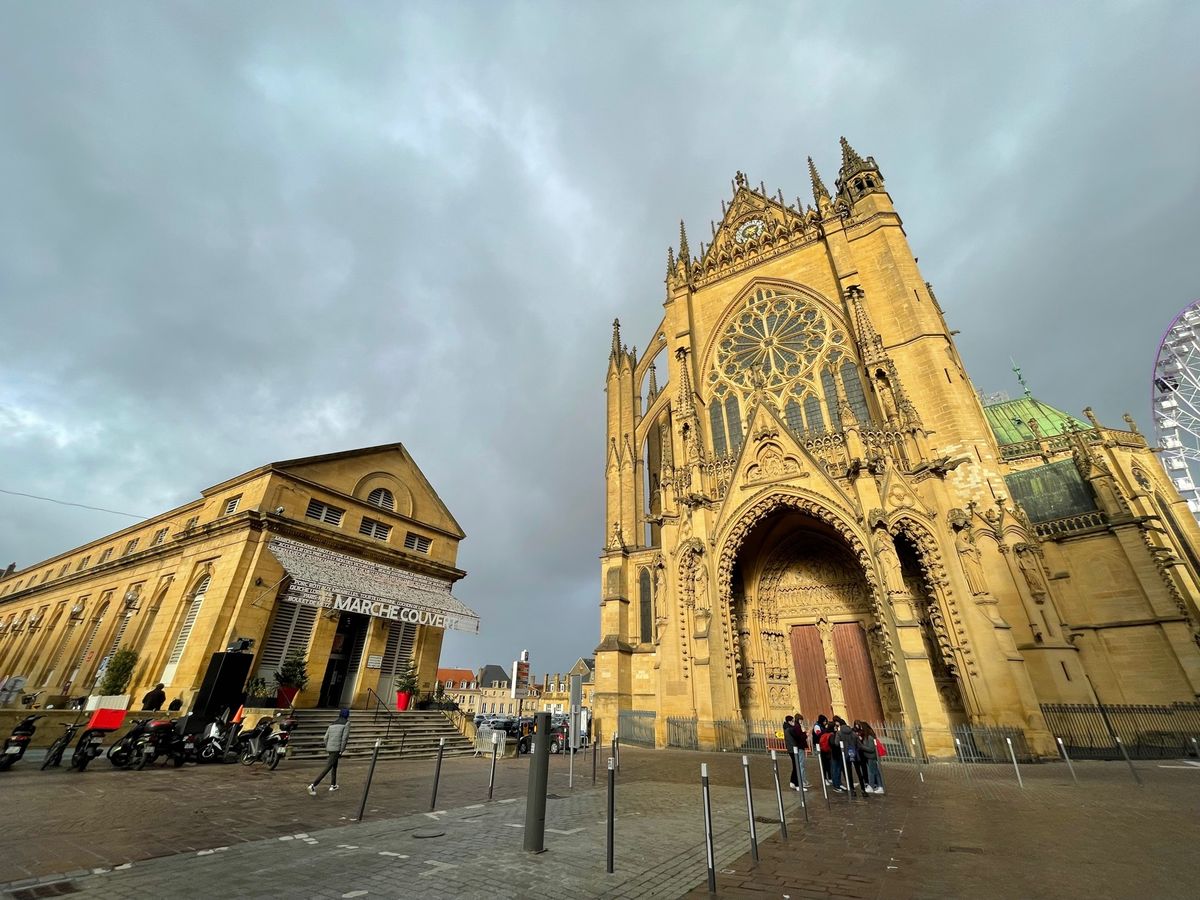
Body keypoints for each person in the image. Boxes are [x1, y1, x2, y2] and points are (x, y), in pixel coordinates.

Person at [308, 708, 350, 794]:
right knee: (328, 767)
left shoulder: (332, 723)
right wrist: (342, 750)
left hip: (330, 748)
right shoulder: (346, 723)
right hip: (337, 748)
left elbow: (325, 737)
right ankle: (313, 785)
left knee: (334, 766)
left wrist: (328, 746)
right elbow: (344, 738)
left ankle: (333, 785)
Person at [860, 722, 885, 794]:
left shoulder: (869, 737)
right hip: (870, 757)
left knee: (871, 772)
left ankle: (872, 786)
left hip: (871, 757)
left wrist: (862, 746)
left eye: (861, 727)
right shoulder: (867, 737)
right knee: (875, 772)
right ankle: (880, 786)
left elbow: (871, 749)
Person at [789, 713, 810, 790]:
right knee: (801, 764)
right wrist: (805, 734)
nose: (802, 721)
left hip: (799, 747)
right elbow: (800, 737)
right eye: (801, 720)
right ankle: (802, 781)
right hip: (800, 747)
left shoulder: (797, 726)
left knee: (800, 764)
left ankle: (799, 781)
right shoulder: (797, 727)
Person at [815, 716, 834, 785]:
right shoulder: (817, 726)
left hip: (826, 747)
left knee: (828, 764)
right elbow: (818, 734)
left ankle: (830, 777)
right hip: (821, 747)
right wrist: (826, 730)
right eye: (824, 721)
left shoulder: (823, 727)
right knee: (824, 764)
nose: (825, 722)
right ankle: (825, 778)